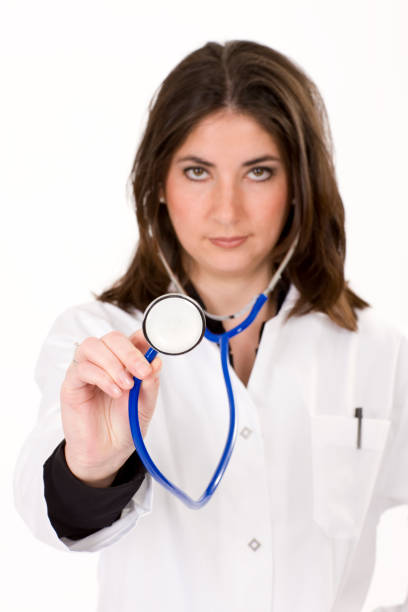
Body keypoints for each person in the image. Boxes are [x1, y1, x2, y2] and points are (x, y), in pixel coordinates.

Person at [13, 39, 408, 612]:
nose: (227, 210)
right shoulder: (95, 337)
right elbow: (52, 516)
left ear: (299, 186)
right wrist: (92, 468)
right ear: (159, 186)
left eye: (259, 172)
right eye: (197, 171)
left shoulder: (376, 351)